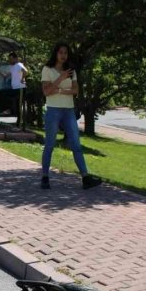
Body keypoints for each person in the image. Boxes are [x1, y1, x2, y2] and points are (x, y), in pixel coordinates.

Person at [40, 42, 102, 190]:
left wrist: (60, 90)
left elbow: (75, 91)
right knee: (49, 145)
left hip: (69, 111)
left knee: (76, 145)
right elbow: (46, 91)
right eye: (61, 52)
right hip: (53, 110)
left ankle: (85, 178)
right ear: (56, 53)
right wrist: (61, 78)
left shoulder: (72, 71)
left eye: (65, 53)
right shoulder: (47, 69)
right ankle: (45, 177)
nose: (63, 55)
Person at [8, 52, 28, 129]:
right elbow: (8, 75)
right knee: (16, 107)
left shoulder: (19, 64)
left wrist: (23, 78)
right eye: (9, 59)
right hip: (14, 88)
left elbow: (25, 71)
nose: (10, 60)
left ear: (16, 58)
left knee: (19, 106)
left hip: (20, 88)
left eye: (11, 59)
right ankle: (18, 124)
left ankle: (19, 125)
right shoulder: (12, 67)